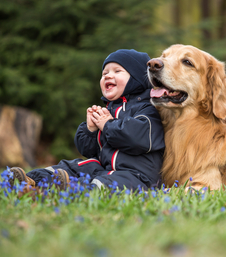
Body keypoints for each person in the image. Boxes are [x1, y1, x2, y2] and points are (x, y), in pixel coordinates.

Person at [10, 49, 165, 191]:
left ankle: (74, 189)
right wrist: (91, 130)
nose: (108, 76)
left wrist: (107, 125)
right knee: (75, 166)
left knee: (109, 182)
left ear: (136, 79)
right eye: (104, 73)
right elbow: (89, 151)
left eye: (117, 71)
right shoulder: (109, 110)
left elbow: (137, 137)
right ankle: (30, 181)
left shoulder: (148, 109)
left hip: (137, 176)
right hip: (105, 169)